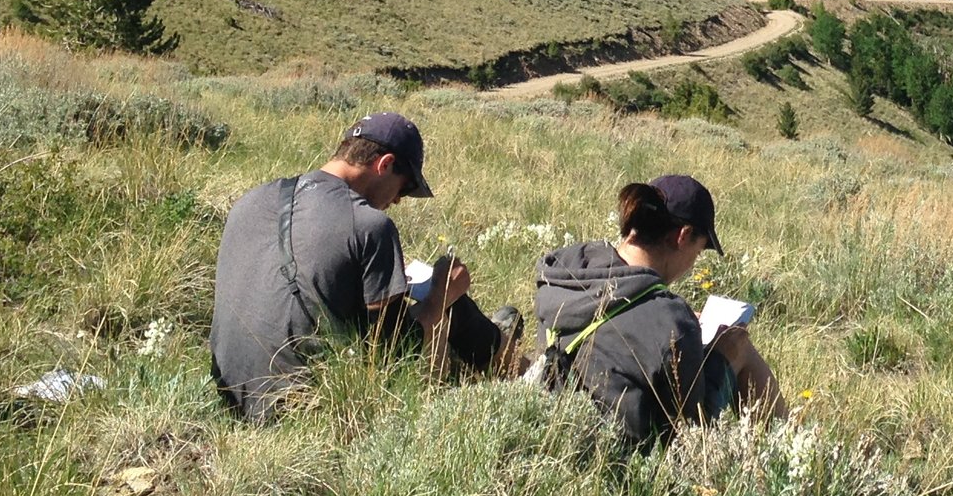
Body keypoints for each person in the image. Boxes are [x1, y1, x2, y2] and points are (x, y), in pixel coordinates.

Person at [210, 110, 518, 421]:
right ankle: (525, 374)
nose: (397, 201)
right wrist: (442, 293)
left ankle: (503, 349)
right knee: (448, 305)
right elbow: (397, 353)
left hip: (231, 397)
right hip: (305, 411)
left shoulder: (251, 200)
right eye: (404, 188)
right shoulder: (370, 225)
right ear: (384, 165)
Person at [533, 174, 785, 449]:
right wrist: (718, 353)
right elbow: (691, 430)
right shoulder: (670, 320)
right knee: (738, 344)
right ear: (683, 235)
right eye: (698, 252)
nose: (692, 264)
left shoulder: (567, 268)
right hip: (624, 460)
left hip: (553, 428)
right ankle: (784, 451)